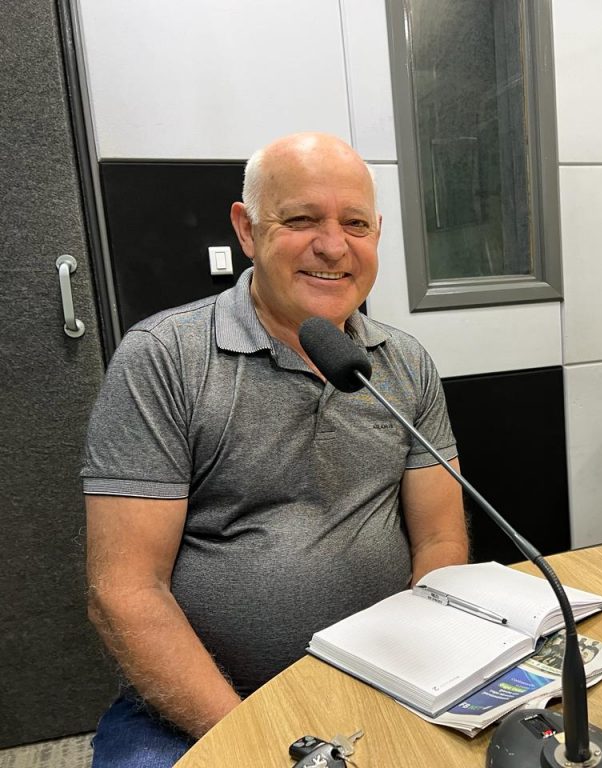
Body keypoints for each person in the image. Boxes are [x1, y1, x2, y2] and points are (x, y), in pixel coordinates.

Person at [81, 132, 469, 767]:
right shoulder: (164, 358)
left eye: (355, 224)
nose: (333, 246)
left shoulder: (403, 363)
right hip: (205, 703)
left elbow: (440, 540)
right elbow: (124, 588)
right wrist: (259, 742)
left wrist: (425, 670)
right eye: (302, 220)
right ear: (247, 229)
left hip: (386, 680)